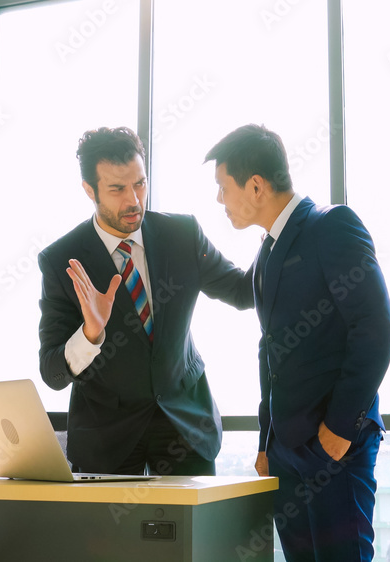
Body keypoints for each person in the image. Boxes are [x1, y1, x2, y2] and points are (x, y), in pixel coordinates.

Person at [205, 124, 390, 560]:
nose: (219, 199)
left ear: (255, 186)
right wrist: (265, 441)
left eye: (223, 186)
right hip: (287, 451)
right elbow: (269, 348)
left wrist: (339, 430)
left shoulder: (332, 226)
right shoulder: (267, 251)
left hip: (335, 449)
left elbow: (375, 329)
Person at [37, 126, 253, 476]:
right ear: (89, 190)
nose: (134, 200)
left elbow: (243, 291)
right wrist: (90, 334)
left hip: (186, 428)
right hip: (108, 440)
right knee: (112, 534)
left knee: (194, 532)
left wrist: (274, 228)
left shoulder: (182, 235)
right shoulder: (62, 259)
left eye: (140, 183)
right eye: (117, 189)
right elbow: (52, 372)